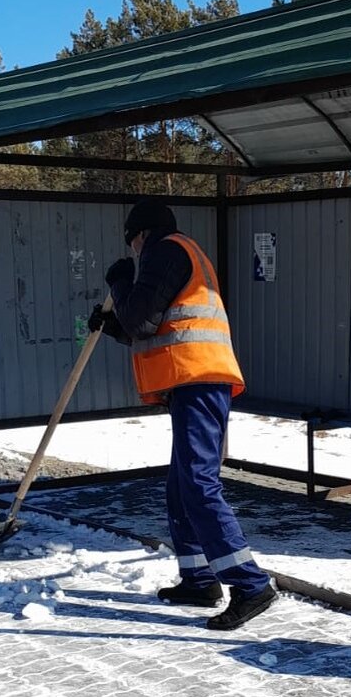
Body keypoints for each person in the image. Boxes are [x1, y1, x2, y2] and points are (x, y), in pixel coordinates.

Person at [88, 197, 276, 631]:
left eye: (132, 243)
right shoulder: (174, 253)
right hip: (191, 381)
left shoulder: (167, 250)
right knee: (180, 486)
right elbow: (154, 326)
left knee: (197, 484)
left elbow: (140, 320)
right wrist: (111, 325)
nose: (133, 252)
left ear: (140, 234)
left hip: (200, 379)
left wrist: (120, 282)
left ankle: (250, 585)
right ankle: (198, 579)